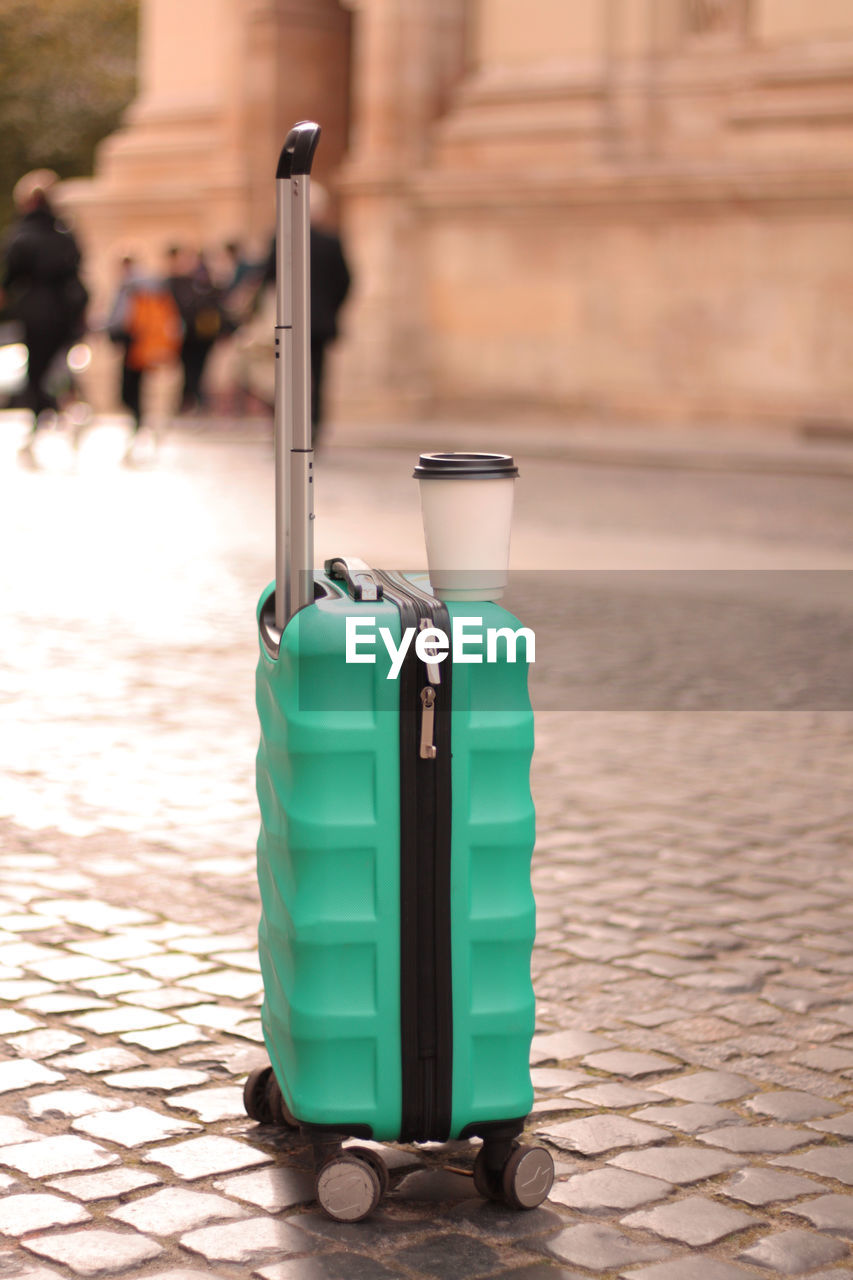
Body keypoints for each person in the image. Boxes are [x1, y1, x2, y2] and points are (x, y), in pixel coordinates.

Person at [1, 169, 88, 462]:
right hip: (65, 312)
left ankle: (44, 424)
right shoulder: (64, 233)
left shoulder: (23, 235)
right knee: (59, 370)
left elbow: (11, 274)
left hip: (35, 312)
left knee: (36, 374)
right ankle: (68, 414)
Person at [263, 183, 351, 446]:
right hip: (320, 323)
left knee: (287, 377)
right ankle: (313, 430)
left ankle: (285, 429)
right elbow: (345, 281)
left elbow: (268, 279)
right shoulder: (331, 242)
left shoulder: (280, 239)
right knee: (317, 377)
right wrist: (331, 309)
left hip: (289, 321)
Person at [107, 253, 182, 458]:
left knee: (130, 391)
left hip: (135, 344)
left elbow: (119, 317)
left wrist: (111, 332)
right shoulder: (156, 287)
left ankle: (140, 424)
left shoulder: (130, 288)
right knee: (148, 391)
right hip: (153, 347)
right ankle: (146, 425)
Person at [166, 247, 228, 414]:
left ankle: (193, 397)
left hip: (202, 334)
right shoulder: (185, 282)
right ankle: (191, 396)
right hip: (194, 334)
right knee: (192, 368)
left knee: (196, 368)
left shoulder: (202, 283)